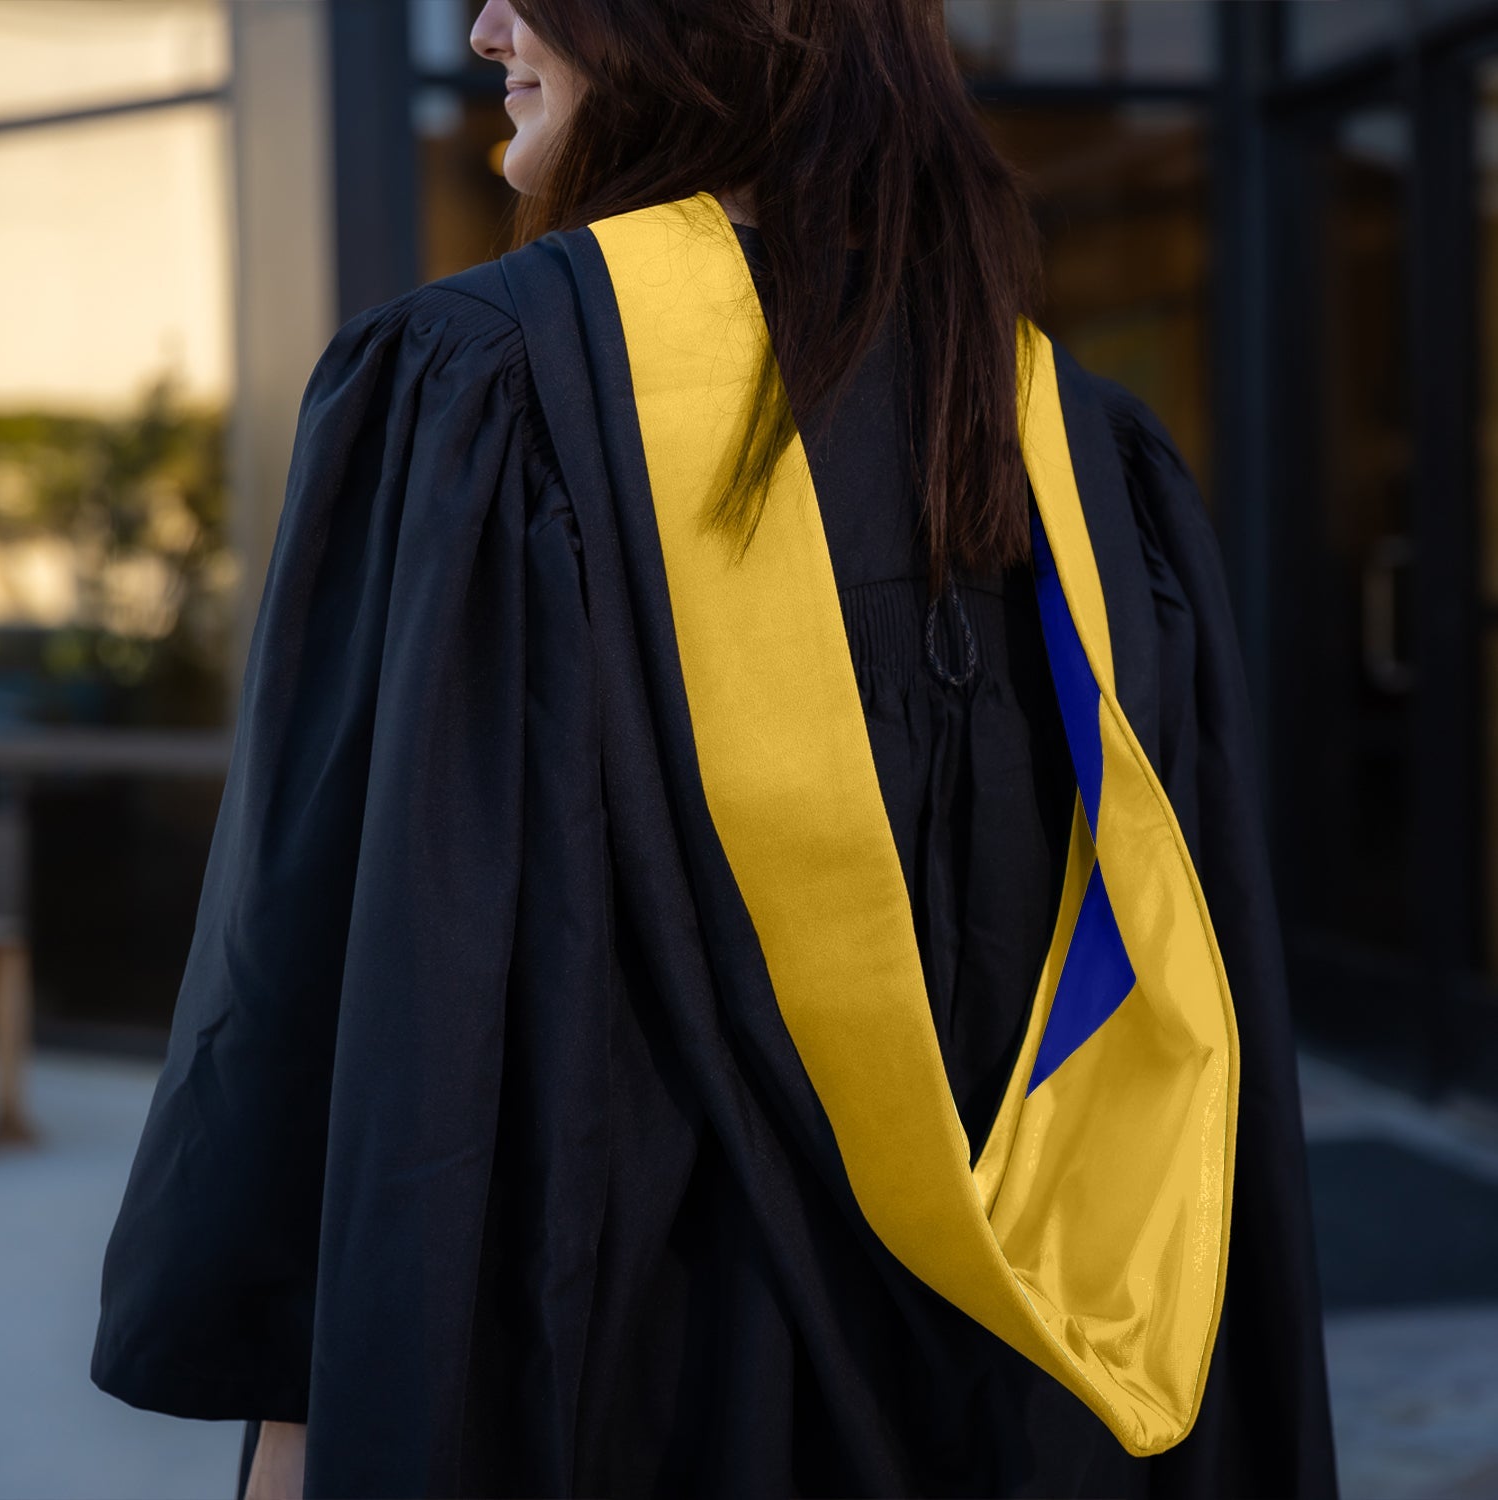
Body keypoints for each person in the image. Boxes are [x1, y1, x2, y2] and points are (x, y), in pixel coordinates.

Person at [91, 3, 1339, 1497]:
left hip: (621, 1393)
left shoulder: (481, 395)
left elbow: (327, 1014)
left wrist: (294, 1440)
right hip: (1029, 1415)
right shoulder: (1079, 459)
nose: (488, 24)